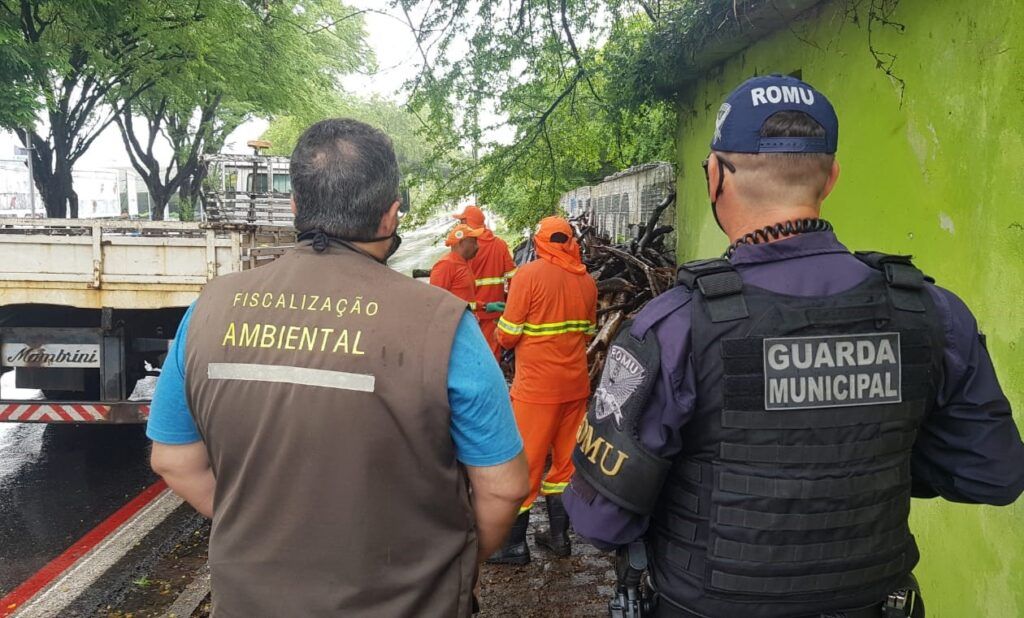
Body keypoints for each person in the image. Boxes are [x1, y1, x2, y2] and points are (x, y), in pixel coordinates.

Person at [565, 74, 1024, 618]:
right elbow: (992, 474)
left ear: (715, 176)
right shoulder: (931, 313)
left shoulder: (676, 326)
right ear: (830, 178)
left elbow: (601, 520)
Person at [146, 118, 529, 617]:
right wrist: (460, 565)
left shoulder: (209, 309)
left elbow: (174, 460)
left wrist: (263, 533)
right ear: (391, 216)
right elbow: (504, 485)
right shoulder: (442, 325)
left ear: (296, 208)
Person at [489, 216, 598, 565]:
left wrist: (503, 334)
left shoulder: (528, 276)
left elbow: (507, 333)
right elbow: (586, 331)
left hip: (536, 390)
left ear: (539, 244)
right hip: (575, 387)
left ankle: (513, 546)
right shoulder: (587, 283)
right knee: (564, 465)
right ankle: (558, 537)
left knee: (526, 465)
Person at [453, 205, 517, 359]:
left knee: (469, 354)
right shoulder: (499, 245)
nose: (458, 225)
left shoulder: (463, 246)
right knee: (491, 356)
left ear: (468, 223)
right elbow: (513, 278)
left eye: (461, 221)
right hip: (493, 310)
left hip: (469, 310)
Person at [429, 223, 486, 311]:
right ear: (461, 243)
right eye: (473, 242)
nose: (477, 246)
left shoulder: (464, 263)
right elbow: (436, 302)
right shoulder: (445, 265)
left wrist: (485, 306)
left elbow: (466, 302)